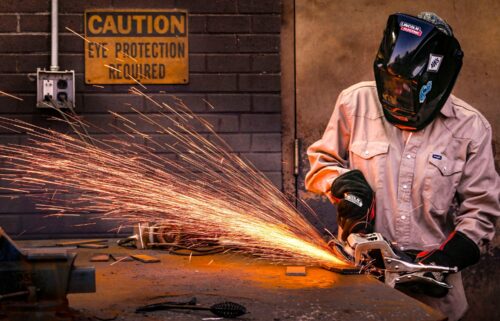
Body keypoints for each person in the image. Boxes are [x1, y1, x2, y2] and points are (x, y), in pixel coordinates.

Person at [305, 12, 499, 321]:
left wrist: (446, 260)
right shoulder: (354, 103)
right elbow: (321, 164)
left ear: (436, 82)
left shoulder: (470, 127)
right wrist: (343, 186)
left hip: (433, 292)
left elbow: (482, 210)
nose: (397, 96)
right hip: (359, 285)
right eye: (392, 85)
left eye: (407, 89)